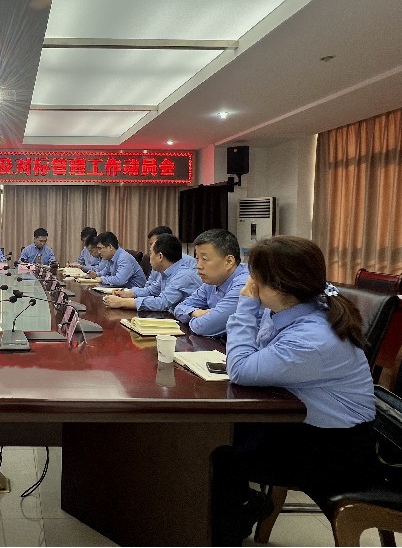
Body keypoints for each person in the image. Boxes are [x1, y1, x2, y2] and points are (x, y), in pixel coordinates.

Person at [211, 236, 376, 545]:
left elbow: (241, 368)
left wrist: (245, 306)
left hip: (337, 449)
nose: (249, 283)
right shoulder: (295, 310)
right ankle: (242, 508)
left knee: (218, 454)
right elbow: (258, 352)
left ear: (279, 286)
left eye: (255, 277)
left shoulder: (312, 337)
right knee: (217, 437)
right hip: (311, 428)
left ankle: (235, 520)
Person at [173, 229, 249, 337]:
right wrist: (195, 313)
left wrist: (197, 318)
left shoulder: (245, 285)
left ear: (229, 261)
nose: (198, 266)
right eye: (197, 258)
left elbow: (203, 327)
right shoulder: (212, 281)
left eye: (204, 259)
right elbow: (179, 308)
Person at [104, 234, 201, 312]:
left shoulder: (183, 275)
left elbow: (162, 303)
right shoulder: (167, 272)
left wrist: (122, 302)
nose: (149, 257)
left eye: (151, 253)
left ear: (160, 257)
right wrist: (128, 294)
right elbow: (152, 291)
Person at [143, 225, 196, 296]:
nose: (151, 248)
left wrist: (132, 300)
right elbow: (152, 289)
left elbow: (163, 300)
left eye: (154, 244)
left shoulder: (184, 271)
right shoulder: (163, 269)